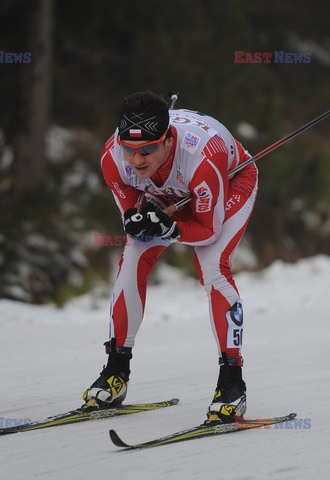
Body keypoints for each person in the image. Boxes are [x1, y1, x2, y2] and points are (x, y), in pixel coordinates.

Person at [82, 90, 258, 424]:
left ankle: (232, 384)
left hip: (231, 183)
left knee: (212, 266)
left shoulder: (202, 157)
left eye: (146, 150)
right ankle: (115, 372)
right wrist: (141, 220)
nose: (136, 161)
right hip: (168, 192)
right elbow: (133, 216)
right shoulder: (112, 158)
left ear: (167, 140)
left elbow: (208, 230)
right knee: (132, 257)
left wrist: (172, 229)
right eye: (129, 150)